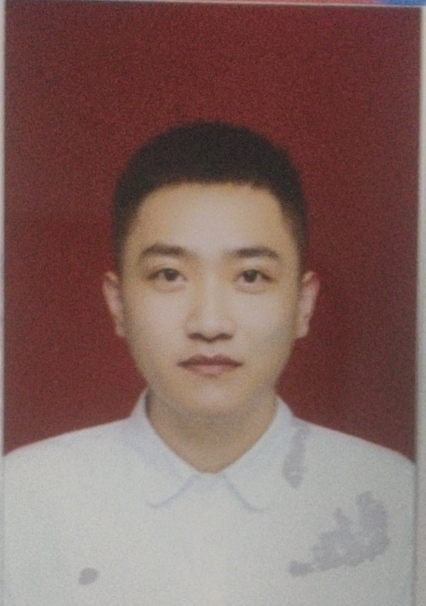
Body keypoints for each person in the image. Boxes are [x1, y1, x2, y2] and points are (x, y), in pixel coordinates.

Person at [4, 122, 414, 605]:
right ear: (118, 304)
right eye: (169, 275)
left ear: (303, 305)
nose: (210, 323)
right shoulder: (23, 499)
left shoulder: (397, 500)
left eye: (251, 276)